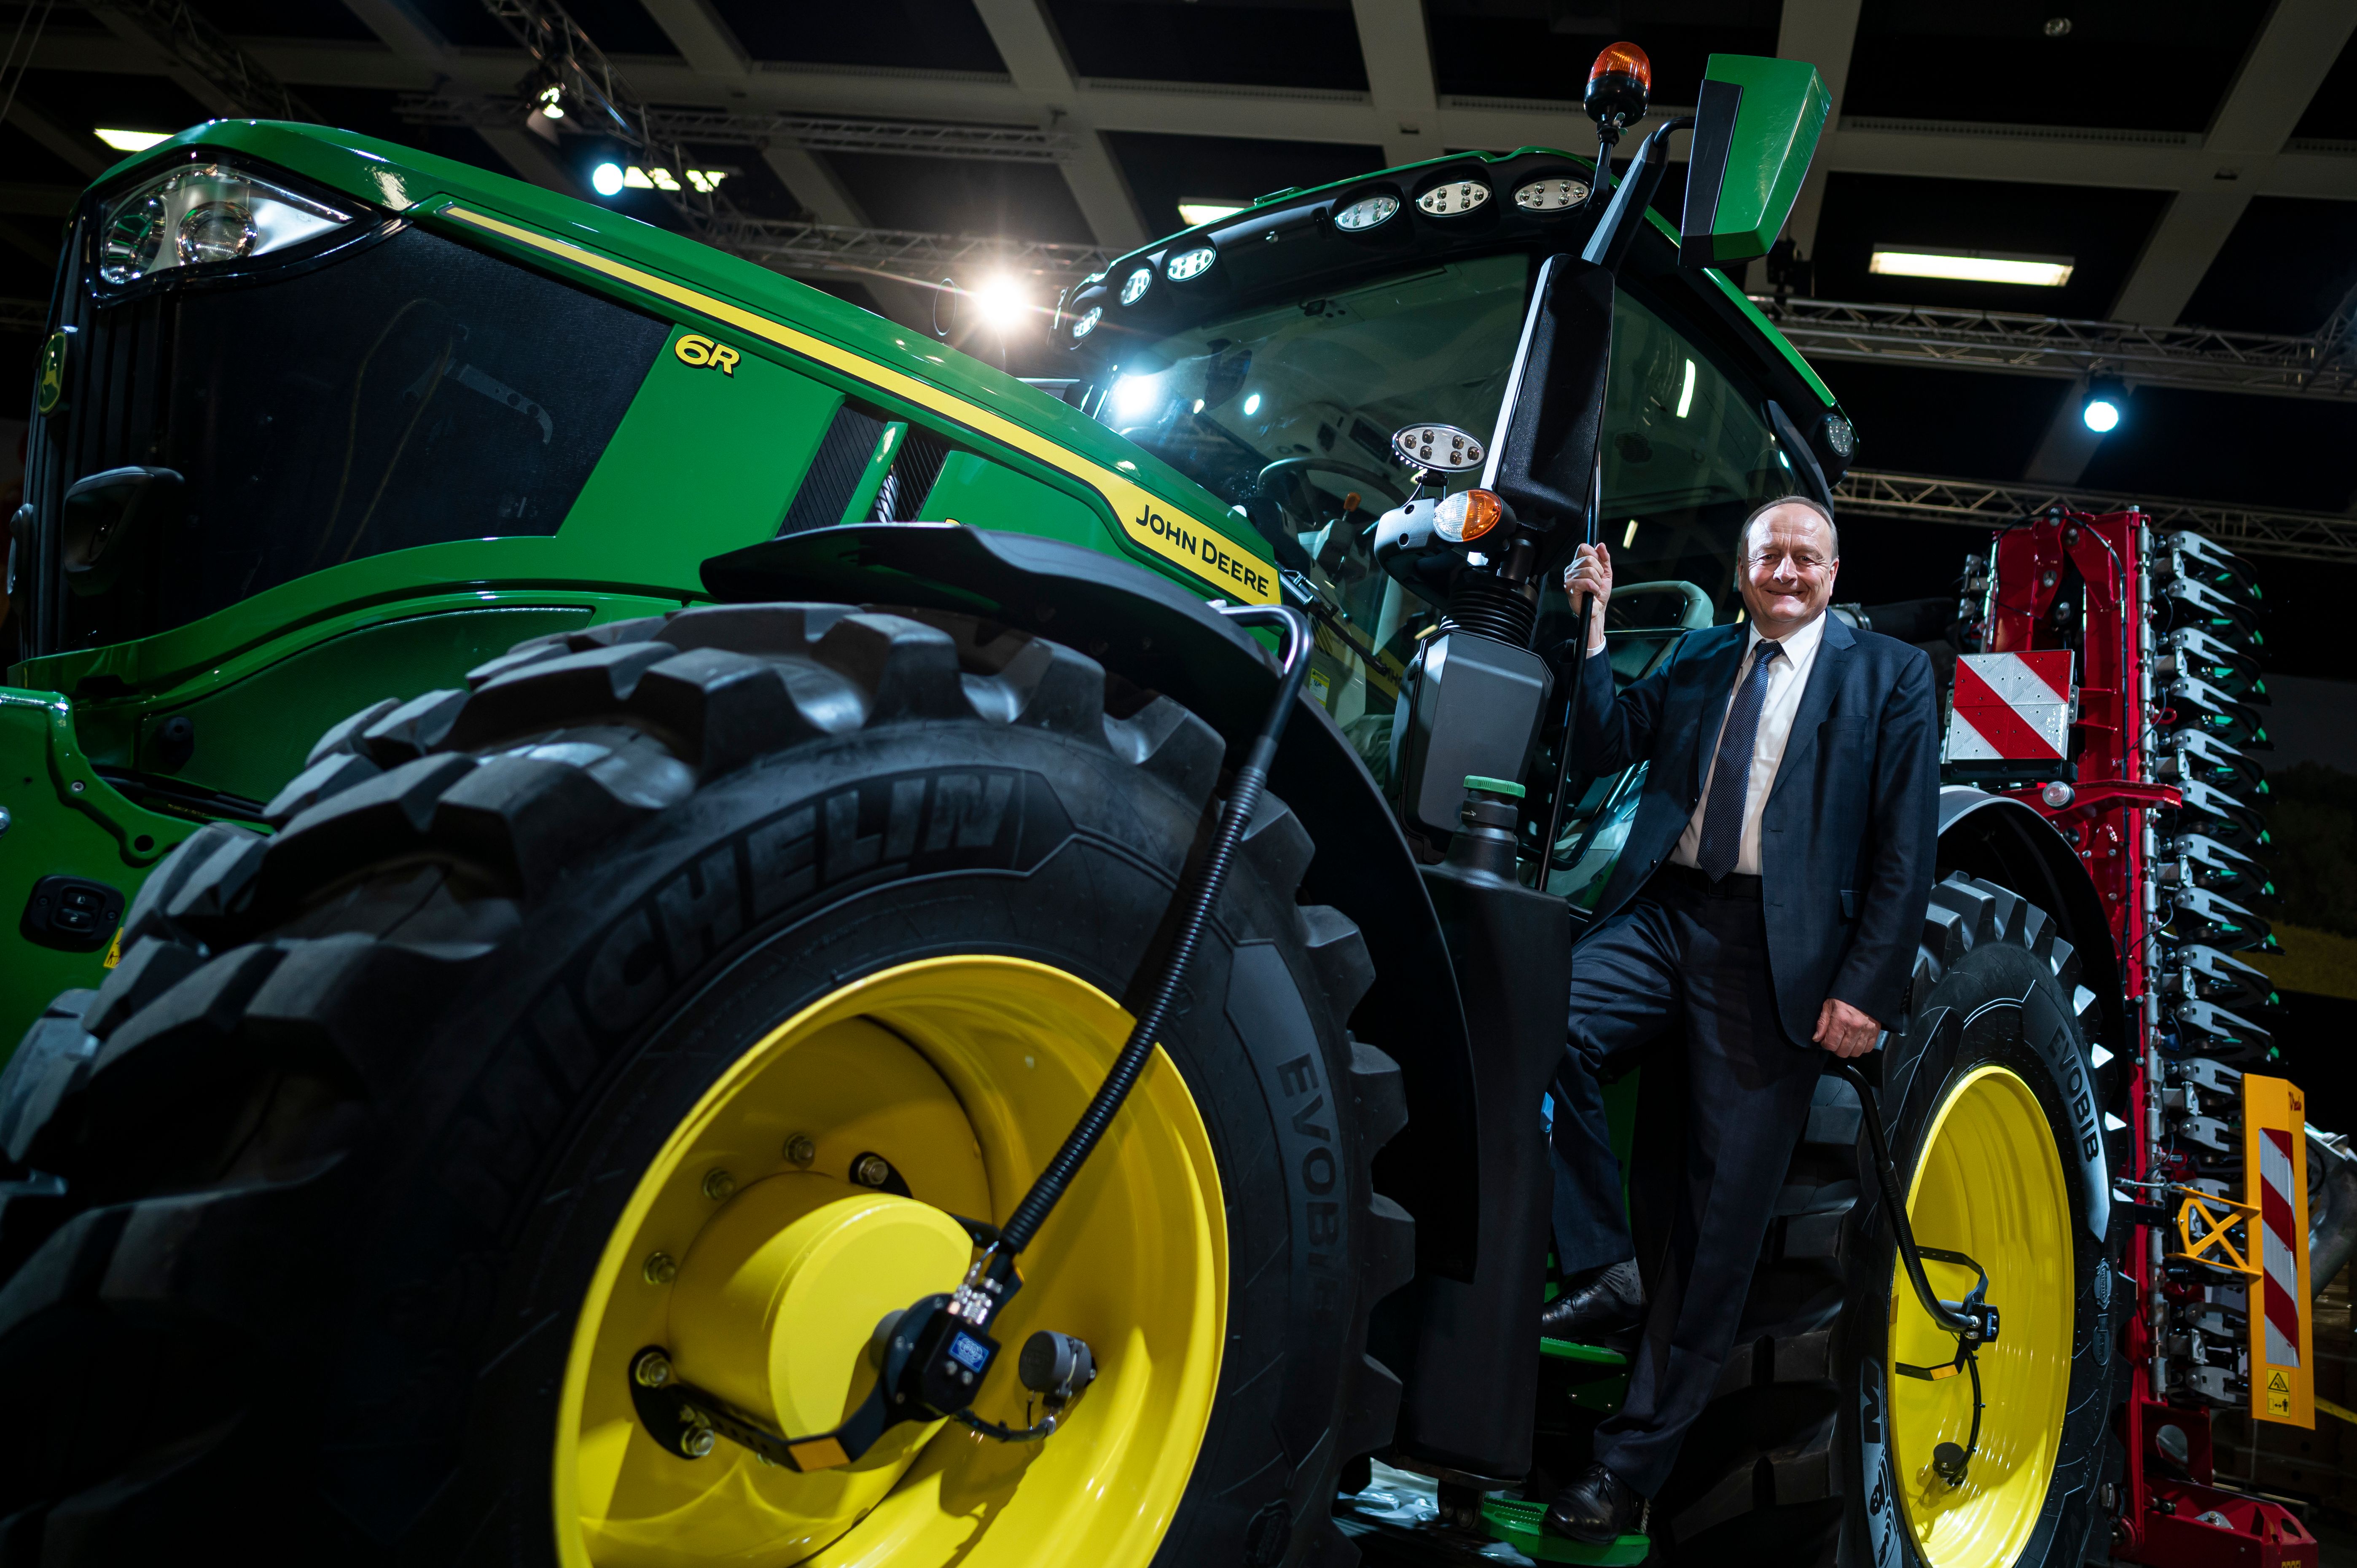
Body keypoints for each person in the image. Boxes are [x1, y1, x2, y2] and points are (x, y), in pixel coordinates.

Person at [1537, 495, 1940, 1543]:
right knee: (1546, 1024)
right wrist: (1591, 622)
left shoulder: (1888, 676)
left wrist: (1867, 987)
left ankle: (1626, 1473)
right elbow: (1601, 743)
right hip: (1667, 917)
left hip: (1783, 955)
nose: (1789, 571)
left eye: (1807, 556)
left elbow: (1905, 849)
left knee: (1716, 1233)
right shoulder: (1705, 656)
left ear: (1835, 570)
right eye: (1772, 555)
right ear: (1745, 567)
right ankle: (1602, 1265)